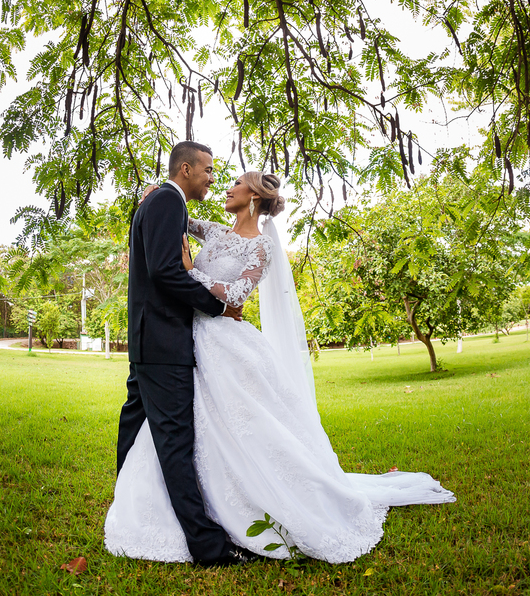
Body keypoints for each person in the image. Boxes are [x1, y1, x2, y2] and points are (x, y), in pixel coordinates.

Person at [106, 170, 455, 564]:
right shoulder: (218, 232)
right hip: (190, 341)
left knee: (244, 426)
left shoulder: (260, 248)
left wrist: (192, 272)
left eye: (236, 184)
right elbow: (175, 212)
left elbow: (236, 295)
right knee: (196, 430)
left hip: (225, 345)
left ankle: (252, 505)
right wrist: (152, 190)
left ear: (253, 196)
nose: (226, 187)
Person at [114, 141, 260, 567]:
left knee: (134, 422)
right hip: (164, 343)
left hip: (149, 340)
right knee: (176, 443)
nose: (213, 178)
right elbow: (164, 270)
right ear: (185, 169)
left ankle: (128, 509)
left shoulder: (161, 201)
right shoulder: (165, 202)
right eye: (209, 170)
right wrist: (215, 306)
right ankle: (208, 547)